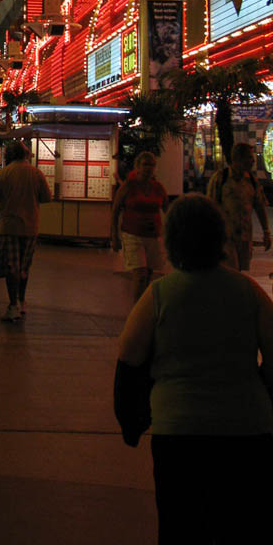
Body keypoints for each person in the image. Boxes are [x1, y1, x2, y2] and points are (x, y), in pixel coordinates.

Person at [118, 193, 273, 544]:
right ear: (220, 237)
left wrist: (134, 419)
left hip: (179, 433)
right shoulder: (248, 292)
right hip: (248, 431)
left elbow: (129, 355)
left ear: (171, 240)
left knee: (181, 524)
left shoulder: (160, 294)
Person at [0, 140, 51, 321]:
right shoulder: (36, 173)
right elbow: (46, 197)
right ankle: (22, 300)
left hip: (9, 226)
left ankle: (12, 304)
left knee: (12, 267)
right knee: (24, 267)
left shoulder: (2, 174)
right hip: (31, 226)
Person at [111, 150, 167, 301]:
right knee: (140, 273)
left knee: (148, 273)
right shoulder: (129, 186)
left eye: (152, 165)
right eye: (145, 164)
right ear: (138, 166)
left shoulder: (158, 188)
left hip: (153, 235)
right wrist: (114, 237)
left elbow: (167, 210)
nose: (148, 168)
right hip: (132, 234)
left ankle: (143, 306)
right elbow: (115, 210)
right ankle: (136, 309)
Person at [207, 141, 272, 270]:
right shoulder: (221, 179)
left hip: (245, 239)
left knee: (242, 271)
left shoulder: (252, 181)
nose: (253, 161)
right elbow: (210, 206)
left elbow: (259, 206)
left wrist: (266, 232)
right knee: (228, 271)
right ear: (238, 159)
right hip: (225, 238)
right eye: (249, 157)